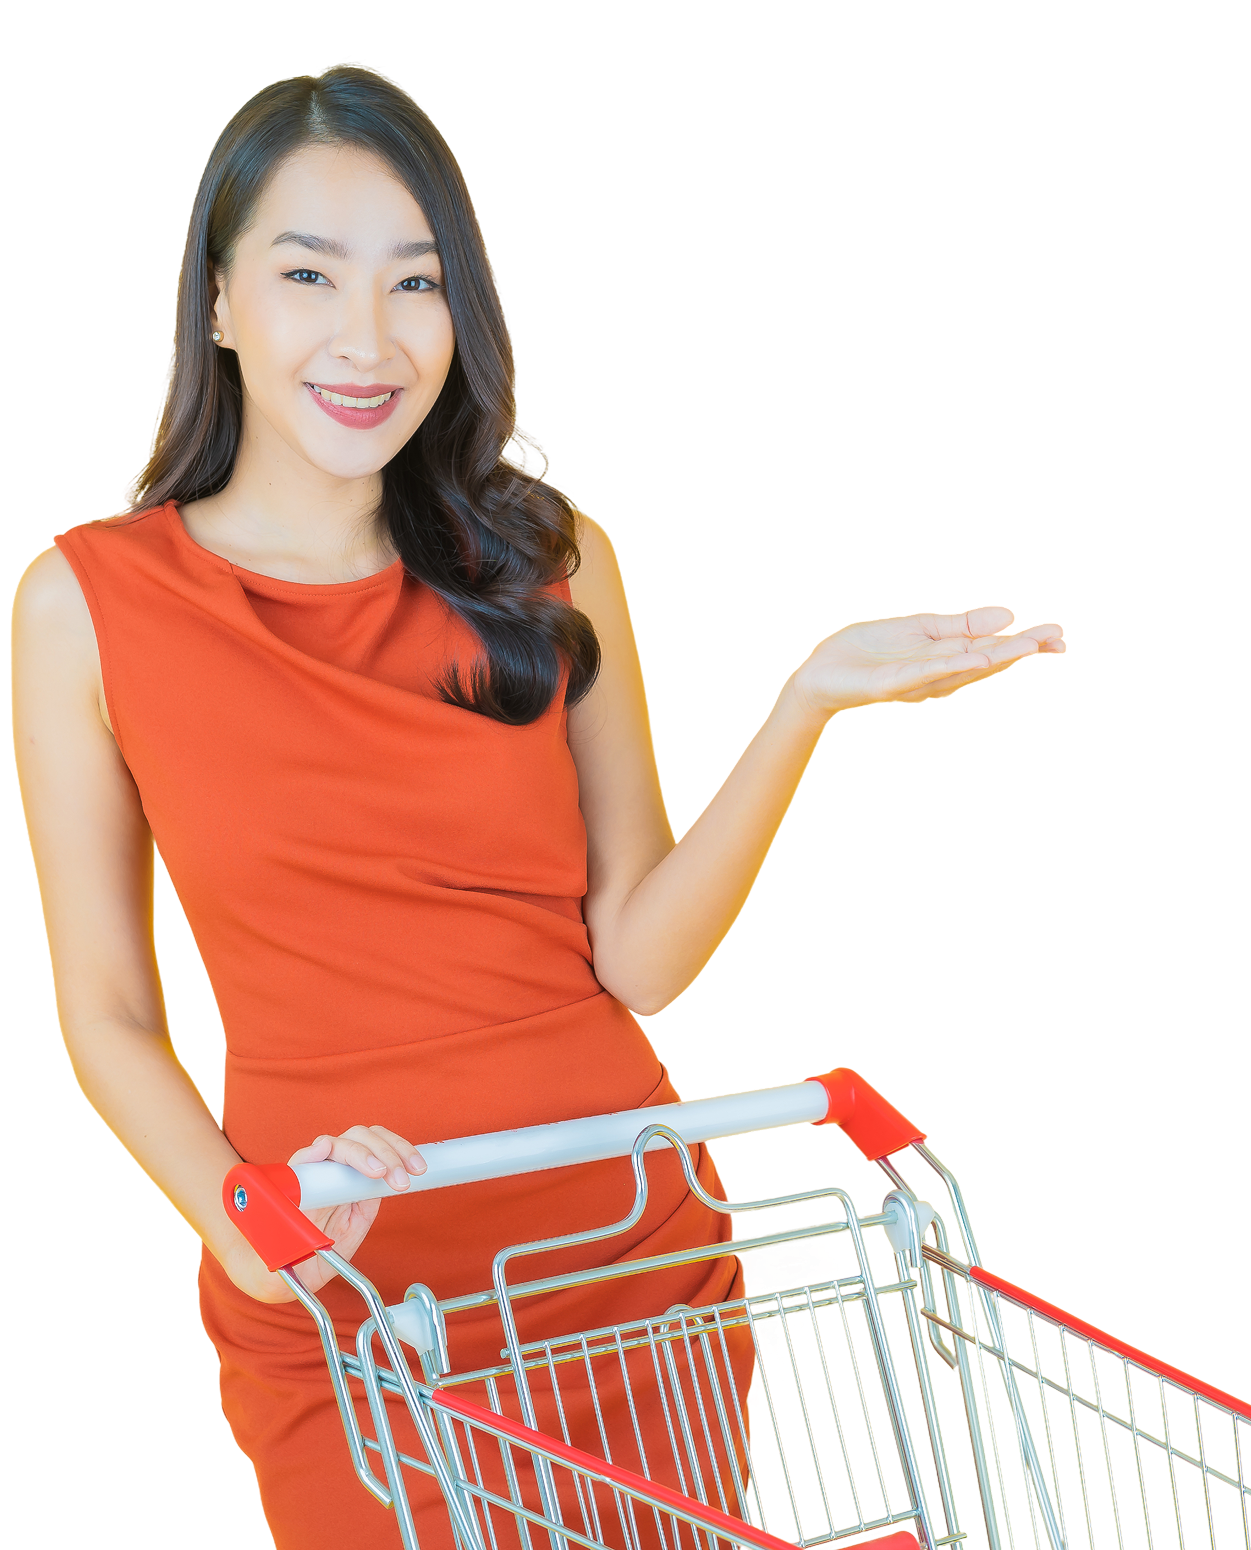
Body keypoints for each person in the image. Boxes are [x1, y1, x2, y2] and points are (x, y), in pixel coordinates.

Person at [9, 62, 1065, 1550]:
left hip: (622, 1265)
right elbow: (108, 1010)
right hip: (349, 1298)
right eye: (308, 274)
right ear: (222, 303)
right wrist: (246, 1225)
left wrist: (801, 707)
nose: (367, 339)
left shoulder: (553, 558)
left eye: (415, 281)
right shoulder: (86, 604)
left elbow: (634, 957)